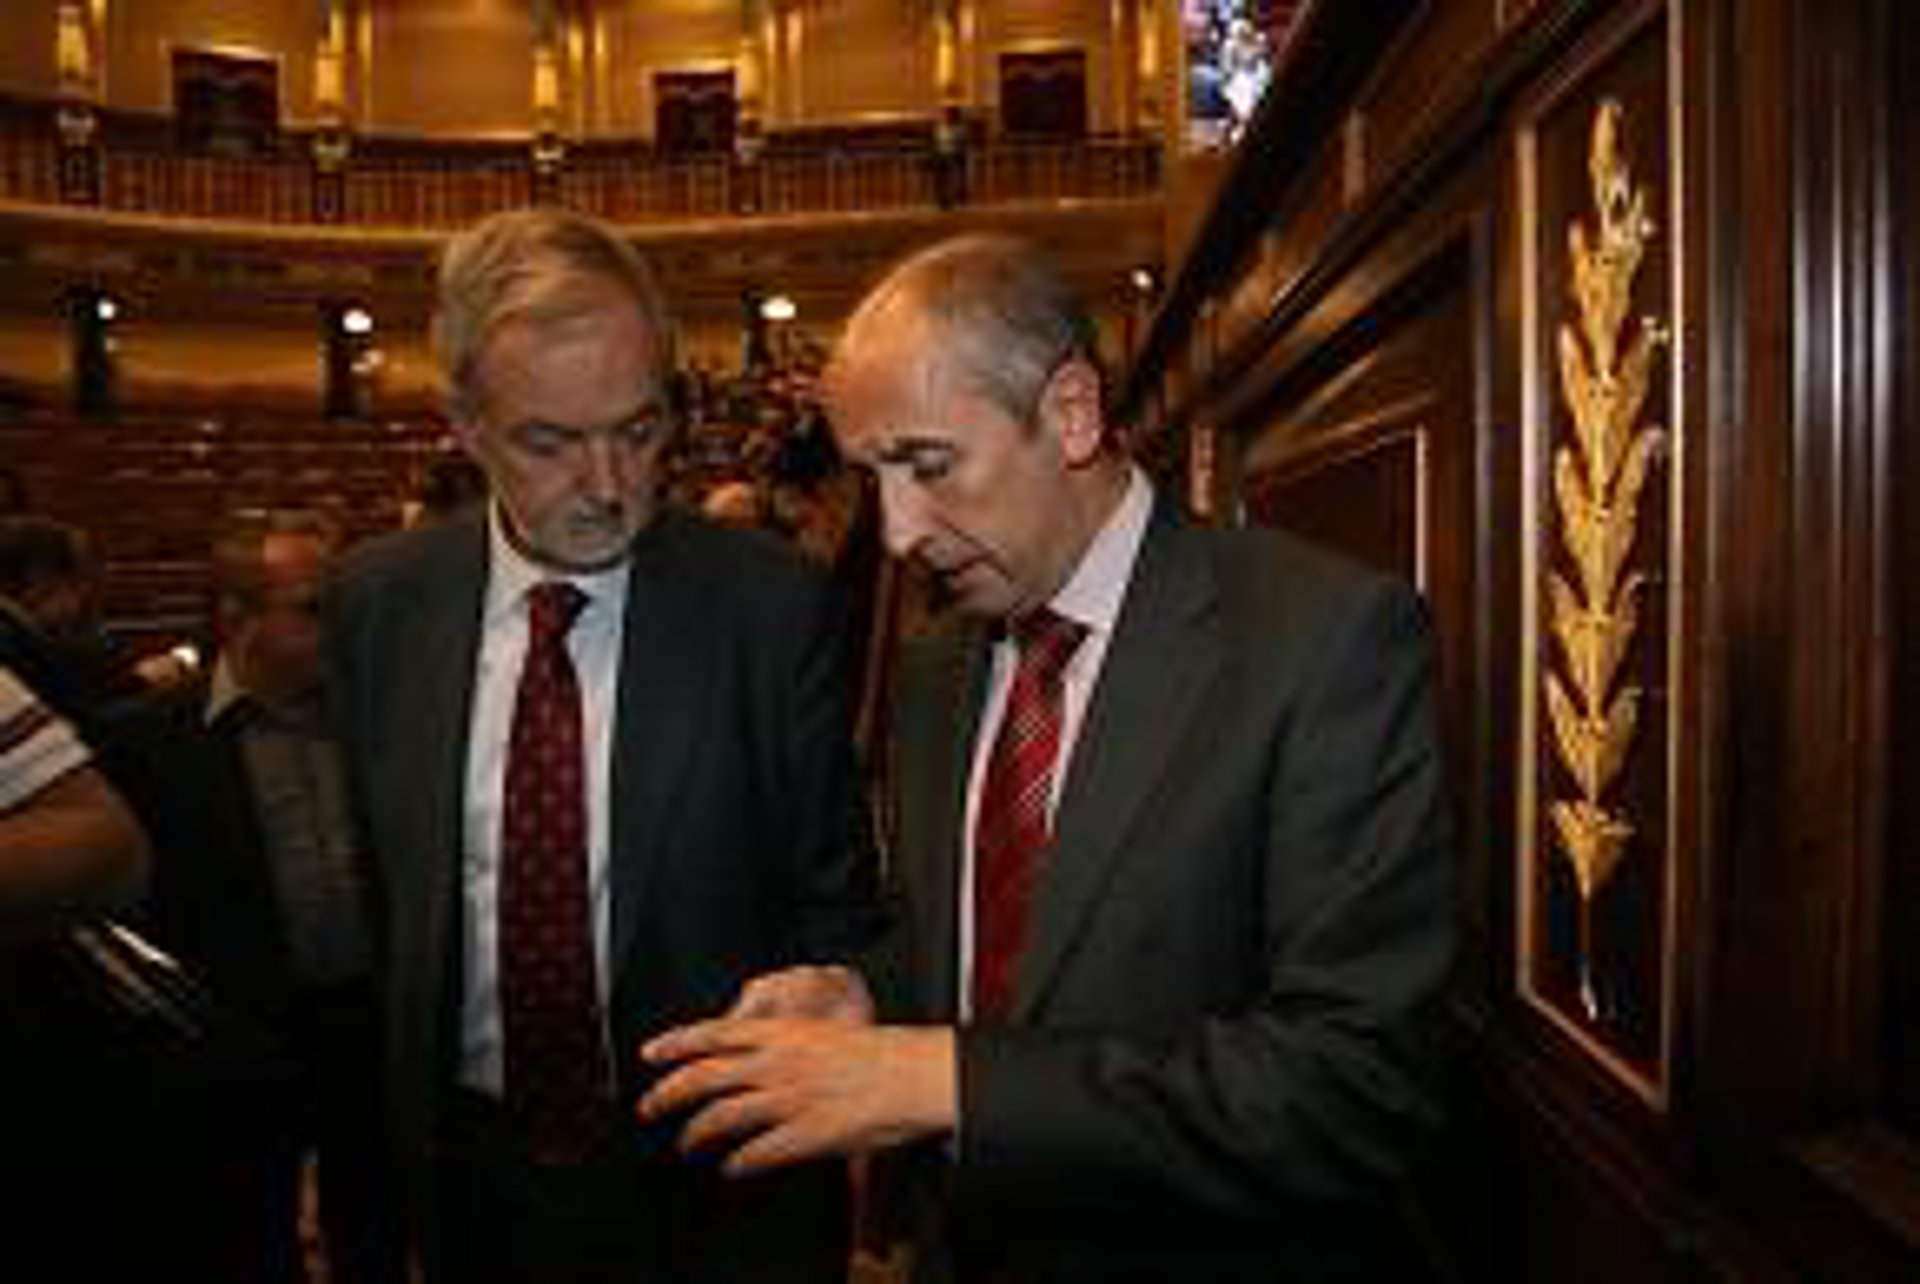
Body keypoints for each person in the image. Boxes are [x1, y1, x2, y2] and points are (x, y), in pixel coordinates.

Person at [639, 233, 1458, 1284]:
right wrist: (866, 996)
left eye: (929, 465)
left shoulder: (1322, 642)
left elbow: (1356, 1085)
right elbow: (973, 951)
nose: (897, 534)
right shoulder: (937, 666)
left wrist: (943, 1081)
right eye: (873, 478)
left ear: (1070, 412)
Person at [323, 208, 877, 1284]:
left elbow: (837, 907)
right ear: (464, 424)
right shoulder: (379, 604)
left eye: (637, 429)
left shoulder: (772, 610)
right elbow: (390, 911)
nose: (611, 484)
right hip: (472, 1179)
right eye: (551, 442)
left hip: (720, 1188)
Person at [107, 508, 403, 1284]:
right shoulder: (146, 738)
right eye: (313, 610)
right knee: (242, 1227)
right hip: (238, 1030)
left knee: (374, 1214)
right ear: (236, 617)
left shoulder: (379, 716)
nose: (340, 630)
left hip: (365, 1015)